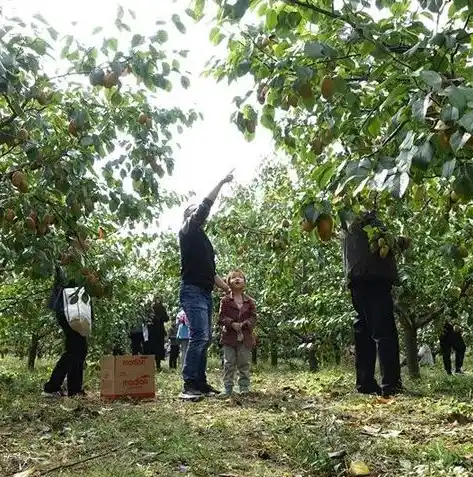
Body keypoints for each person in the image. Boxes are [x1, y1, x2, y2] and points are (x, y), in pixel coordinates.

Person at [179, 172, 233, 399]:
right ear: (187, 217)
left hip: (204, 292)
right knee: (199, 335)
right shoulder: (188, 231)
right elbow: (204, 207)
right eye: (193, 211)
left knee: (205, 337)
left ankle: (200, 383)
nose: (199, 213)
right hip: (192, 291)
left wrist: (227, 288)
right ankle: (189, 383)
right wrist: (220, 183)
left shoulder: (202, 240)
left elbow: (210, 273)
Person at [342, 210, 403, 397]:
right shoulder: (370, 224)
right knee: (384, 332)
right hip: (374, 279)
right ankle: (391, 385)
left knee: (364, 332)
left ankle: (365, 382)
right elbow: (379, 248)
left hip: (357, 280)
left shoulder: (348, 226)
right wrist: (397, 242)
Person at [43, 264, 91, 397]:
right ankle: (52, 387)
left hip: (70, 311)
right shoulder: (70, 260)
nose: (88, 242)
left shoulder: (78, 259)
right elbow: (68, 284)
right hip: (68, 311)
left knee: (79, 349)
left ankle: (74, 389)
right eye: (85, 241)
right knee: (74, 349)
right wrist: (86, 276)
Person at [218, 270, 257, 396]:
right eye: (234, 277)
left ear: (244, 282)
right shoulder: (225, 301)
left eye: (240, 277)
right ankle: (228, 388)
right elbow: (221, 317)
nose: (237, 279)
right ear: (228, 282)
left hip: (245, 337)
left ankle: (244, 387)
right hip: (229, 337)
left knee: (244, 363)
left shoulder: (250, 301)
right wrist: (231, 323)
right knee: (228, 363)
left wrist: (246, 323)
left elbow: (254, 317)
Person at [143, 297, 169, 370]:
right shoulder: (154, 308)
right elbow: (166, 318)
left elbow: (166, 318)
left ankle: (156, 365)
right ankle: (155, 365)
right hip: (155, 331)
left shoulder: (154, 308)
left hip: (155, 331)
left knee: (155, 347)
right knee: (155, 347)